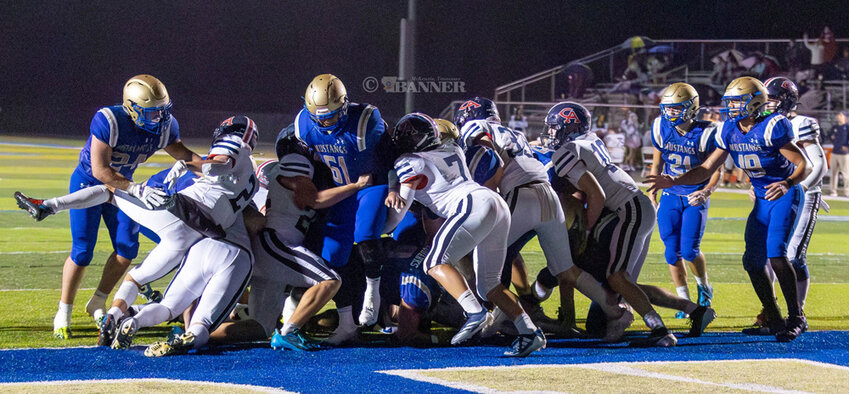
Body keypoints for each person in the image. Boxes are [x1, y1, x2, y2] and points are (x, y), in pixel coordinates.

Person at [17, 116, 260, 347]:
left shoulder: (234, 146)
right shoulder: (252, 178)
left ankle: (49, 206)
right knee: (144, 284)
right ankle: (120, 318)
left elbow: (220, 164)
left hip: (184, 212)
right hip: (199, 233)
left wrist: (198, 166)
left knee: (109, 191)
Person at [14, 75, 200, 339]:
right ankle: (64, 310)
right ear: (132, 108)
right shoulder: (109, 120)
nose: (159, 118)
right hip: (90, 183)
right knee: (82, 251)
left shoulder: (166, 127)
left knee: (126, 250)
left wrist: (218, 165)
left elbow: (185, 155)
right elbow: (101, 171)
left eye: (162, 111)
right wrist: (134, 188)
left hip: (123, 187)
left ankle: (98, 302)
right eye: (152, 112)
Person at [648, 77, 811, 342]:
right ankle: (774, 316)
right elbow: (705, 169)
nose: (732, 107)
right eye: (730, 102)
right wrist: (673, 181)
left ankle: (796, 318)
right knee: (752, 262)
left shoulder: (773, 126)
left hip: (784, 194)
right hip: (761, 197)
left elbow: (804, 165)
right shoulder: (728, 130)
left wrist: (787, 182)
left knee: (777, 255)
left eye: (737, 101)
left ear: (755, 102)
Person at [455, 97, 631, 341]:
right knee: (566, 269)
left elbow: (488, 156)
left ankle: (502, 322)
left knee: (484, 269)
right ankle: (616, 312)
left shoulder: (476, 129)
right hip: (547, 194)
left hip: (520, 194)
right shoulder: (513, 132)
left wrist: (489, 191)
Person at [384, 112, 545, 357]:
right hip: (494, 203)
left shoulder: (409, 161)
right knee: (489, 284)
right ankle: (530, 332)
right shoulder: (452, 149)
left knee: (434, 262)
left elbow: (399, 211)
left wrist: (380, 229)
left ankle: (475, 313)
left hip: (470, 205)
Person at [546, 101, 676, 347]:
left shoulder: (567, 151)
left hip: (631, 209)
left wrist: (586, 231)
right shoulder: (591, 140)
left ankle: (659, 329)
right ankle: (621, 323)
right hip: (637, 206)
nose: (551, 133)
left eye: (555, 128)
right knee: (621, 280)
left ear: (569, 127)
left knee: (616, 277)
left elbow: (597, 195)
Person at [293, 74, 389, 343]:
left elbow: (389, 157)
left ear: (344, 104)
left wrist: (393, 190)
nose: (324, 122)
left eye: (331, 116)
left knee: (366, 232)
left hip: (370, 185)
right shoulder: (303, 124)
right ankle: (346, 323)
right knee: (333, 256)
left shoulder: (365, 120)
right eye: (319, 117)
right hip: (341, 191)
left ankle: (373, 291)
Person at [648, 83, 718, 317]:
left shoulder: (708, 132)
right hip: (670, 194)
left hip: (693, 194)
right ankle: (683, 301)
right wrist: (652, 188)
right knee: (671, 252)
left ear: (690, 108)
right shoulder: (660, 127)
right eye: (667, 108)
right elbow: (658, 157)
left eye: (675, 109)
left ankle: (704, 286)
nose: (669, 114)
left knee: (689, 251)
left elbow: (714, 169)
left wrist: (706, 192)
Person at [763, 77, 828, 325]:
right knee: (769, 255)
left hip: (802, 192)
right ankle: (772, 310)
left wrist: (797, 189)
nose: (766, 105)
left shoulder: (802, 123)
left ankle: (797, 311)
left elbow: (817, 163)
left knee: (792, 256)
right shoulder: (765, 123)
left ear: (785, 100)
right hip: (776, 194)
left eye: (772, 100)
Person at [829, 111, 849, 196]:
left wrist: (847, 146)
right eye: (838, 115)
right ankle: (833, 191)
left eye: (840, 115)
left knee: (845, 173)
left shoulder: (847, 127)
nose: (838, 116)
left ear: (845, 117)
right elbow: (829, 135)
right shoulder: (835, 127)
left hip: (844, 154)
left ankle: (847, 191)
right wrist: (832, 138)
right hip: (835, 152)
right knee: (833, 173)